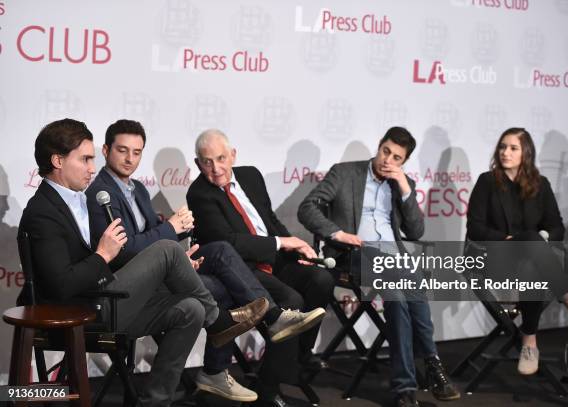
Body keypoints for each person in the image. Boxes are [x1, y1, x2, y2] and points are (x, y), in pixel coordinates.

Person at [20, 118, 265, 407]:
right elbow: (62, 286)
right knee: (166, 249)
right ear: (57, 161)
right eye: (85, 159)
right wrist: (103, 254)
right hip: (82, 312)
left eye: (92, 159)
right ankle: (220, 322)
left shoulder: (76, 200)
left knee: (190, 309)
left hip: (105, 299)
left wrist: (169, 266)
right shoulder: (42, 212)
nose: (91, 167)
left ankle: (155, 402)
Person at [86, 119, 319, 402]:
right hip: (131, 287)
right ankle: (234, 352)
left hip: (162, 271)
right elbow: (122, 251)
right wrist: (171, 227)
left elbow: (154, 242)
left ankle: (226, 362)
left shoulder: (138, 189)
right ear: (106, 150)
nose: (130, 159)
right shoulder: (100, 194)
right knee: (224, 273)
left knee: (220, 258)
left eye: (136, 152)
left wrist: (181, 258)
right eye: (122, 151)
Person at [298, 126, 460, 407]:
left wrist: (407, 190)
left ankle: (407, 387)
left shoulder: (401, 184)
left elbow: (417, 231)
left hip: (392, 259)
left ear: (403, 161)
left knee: (401, 291)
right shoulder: (345, 172)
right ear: (379, 146)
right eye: (386, 151)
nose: (388, 160)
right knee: (407, 280)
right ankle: (431, 366)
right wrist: (337, 234)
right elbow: (307, 207)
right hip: (354, 254)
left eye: (397, 157)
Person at [186, 128, 333, 407]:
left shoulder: (251, 175)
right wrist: (281, 242)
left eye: (220, 158)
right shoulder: (199, 194)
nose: (215, 168)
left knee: (321, 279)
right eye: (207, 161)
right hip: (243, 271)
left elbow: (269, 220)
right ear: (197, 163)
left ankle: (297, 357)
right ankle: (268, 389)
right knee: (292, 300)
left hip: (276, 261)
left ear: (233, 155)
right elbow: (230, 243)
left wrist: (295, 247)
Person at [466, 127, 568, 376]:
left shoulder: (540, 185)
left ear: (526, 153)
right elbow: (475, 228)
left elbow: (556, 227)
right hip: (495, 258)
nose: (505, 152)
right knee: (531, 241)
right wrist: (510, 238)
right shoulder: (486, 182)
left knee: (532, 260)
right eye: (502, 147)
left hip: (532, 264)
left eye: (513, 148)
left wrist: (541, 239)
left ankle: (529, 344)